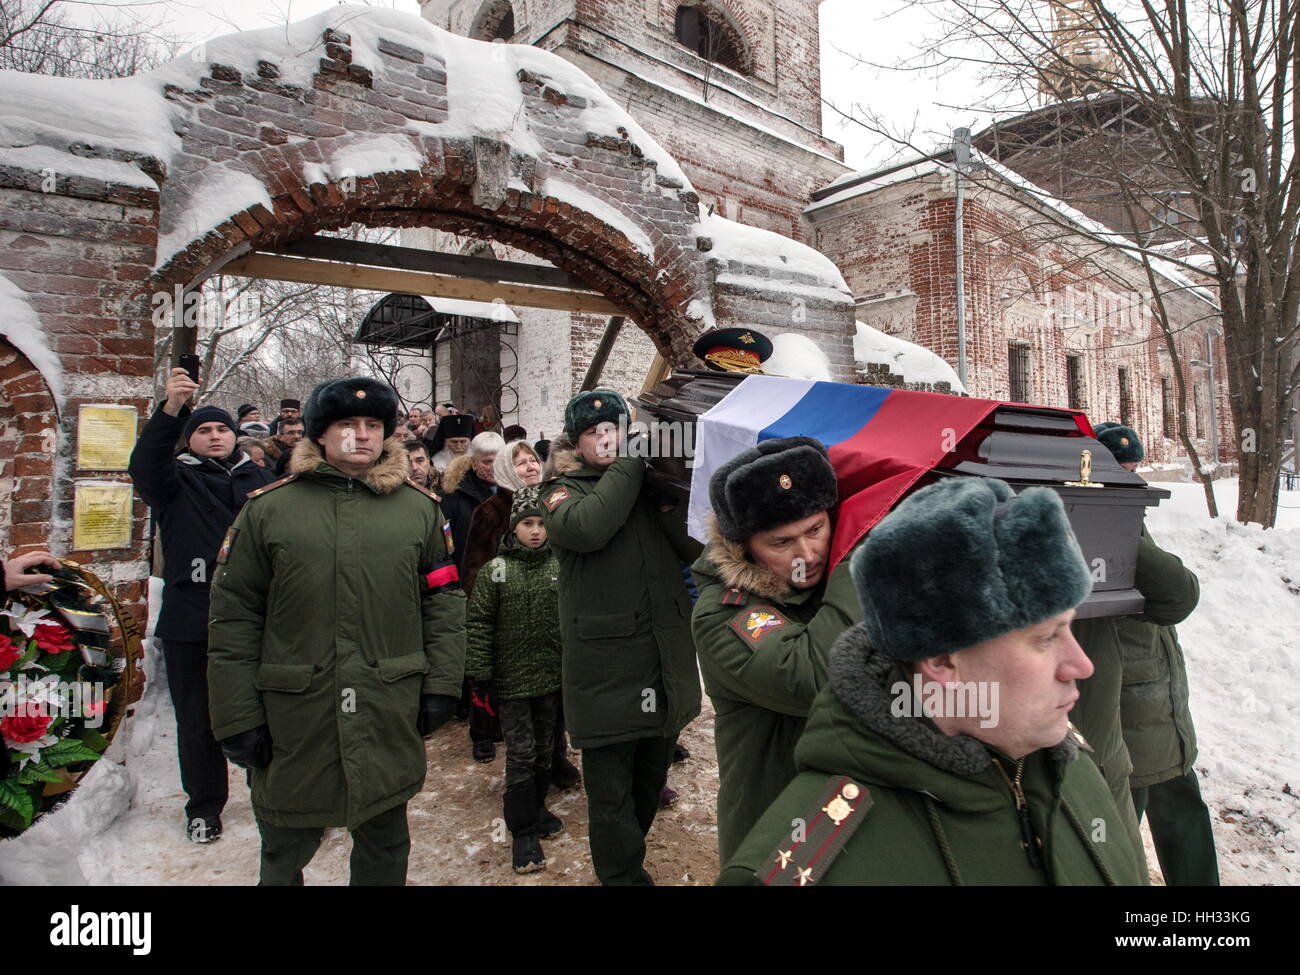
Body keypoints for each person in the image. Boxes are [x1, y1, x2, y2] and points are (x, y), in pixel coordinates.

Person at [719, 476, 1146, 885]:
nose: (1081, 664)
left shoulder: (1069, 766)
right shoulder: (810, 864)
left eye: (1070, 628)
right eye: (1046, 637)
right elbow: (793, 668)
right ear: (942, 662)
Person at [207, 376, 466, 886]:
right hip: (296, 712)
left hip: (385, 704)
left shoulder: (420, 511)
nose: (362, 435)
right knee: (284, 848)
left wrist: (441, 685)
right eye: (348, 424)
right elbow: (234, 618)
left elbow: (444, 604)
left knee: (385, 844)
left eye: (373, 425)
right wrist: (236, 715)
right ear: (320, 434)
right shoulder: (268, 510)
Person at [543, 389, 702, 885]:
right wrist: (633, 466)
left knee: (649, 780)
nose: (606, 439)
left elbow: (696, 548)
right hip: (605, 672)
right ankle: (622, 877)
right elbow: (588, 529)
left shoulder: (648, 484)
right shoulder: (560, 492)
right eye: (594, 433)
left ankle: (627, 861)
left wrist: (671, 496)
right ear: (578, 443)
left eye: (613, 428)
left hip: (662, 662)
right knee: (610, 795)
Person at [689, 436, 863, 862]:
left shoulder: (826, 584)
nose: (807, 554)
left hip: (859, 814)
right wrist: (860, 560)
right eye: (781, 543)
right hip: (783, 833)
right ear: (744, 546)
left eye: (816, 530)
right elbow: (817, 676)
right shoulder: (723, 612)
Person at [127, 367, 276, 843]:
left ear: (235, 436)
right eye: (204, 430)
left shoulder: (262, 481)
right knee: (198, 717)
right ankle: (205, 805)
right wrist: (172, 409)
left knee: (265, 709)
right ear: (190, 439)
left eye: (221, 429)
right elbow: (145, 466)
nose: (214, 436)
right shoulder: (173, 481)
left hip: (256, 616)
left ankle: (272, 795)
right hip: (192, 616)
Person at [1078, 423, 1217, 885]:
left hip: (1153, 698)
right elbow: (1178, 595)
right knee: (1121, 825)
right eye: (1120, 468)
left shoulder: (1120, 517)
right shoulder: (1100, 523)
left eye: (1135, 468)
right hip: (1129, 704)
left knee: (1176, 806)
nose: (1132, 478)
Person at [465, 487, 565, 874]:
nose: (536, 531)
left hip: (550, 678)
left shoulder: (559, 566)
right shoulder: (496, 570)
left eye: (541, 523)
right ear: (514, 529)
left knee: (545, 748)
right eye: (527, 524)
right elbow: (478, 622)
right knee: (521, 754)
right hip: (511, 683)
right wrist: (480, 673)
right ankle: (524, 833)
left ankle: (537, 808)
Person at [441, 431, 506, 762]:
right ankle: (481, 732)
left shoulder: (512, 489)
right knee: (479, 664)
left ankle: (501, 724)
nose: (492, 469)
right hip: (472, 586)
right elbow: (449, 547)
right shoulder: (456, 495)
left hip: (508, 587)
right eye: (486, 462)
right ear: (474, 461)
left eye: (497, 461)